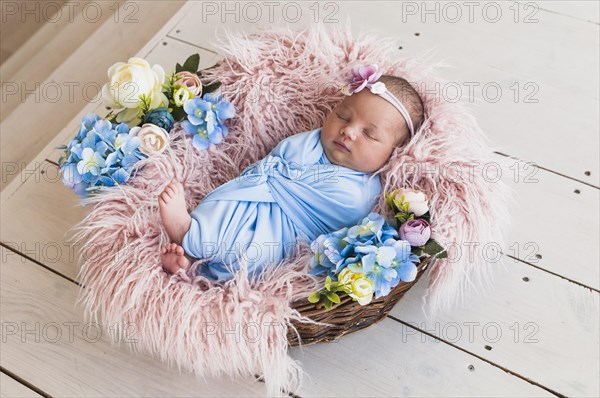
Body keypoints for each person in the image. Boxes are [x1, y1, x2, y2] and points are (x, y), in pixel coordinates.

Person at [158, 64, 425, 283]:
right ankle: (189, 242)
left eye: (369, 134)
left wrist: (281, 179)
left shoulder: (362, 193)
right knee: (224, 206)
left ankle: (196, 251)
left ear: (394, 152)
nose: (349, 131)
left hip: (286, 231)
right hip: (254, 195)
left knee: (255, 252)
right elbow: (275, 159)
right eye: (343, 116)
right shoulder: (311, 142)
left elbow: (344, 215)